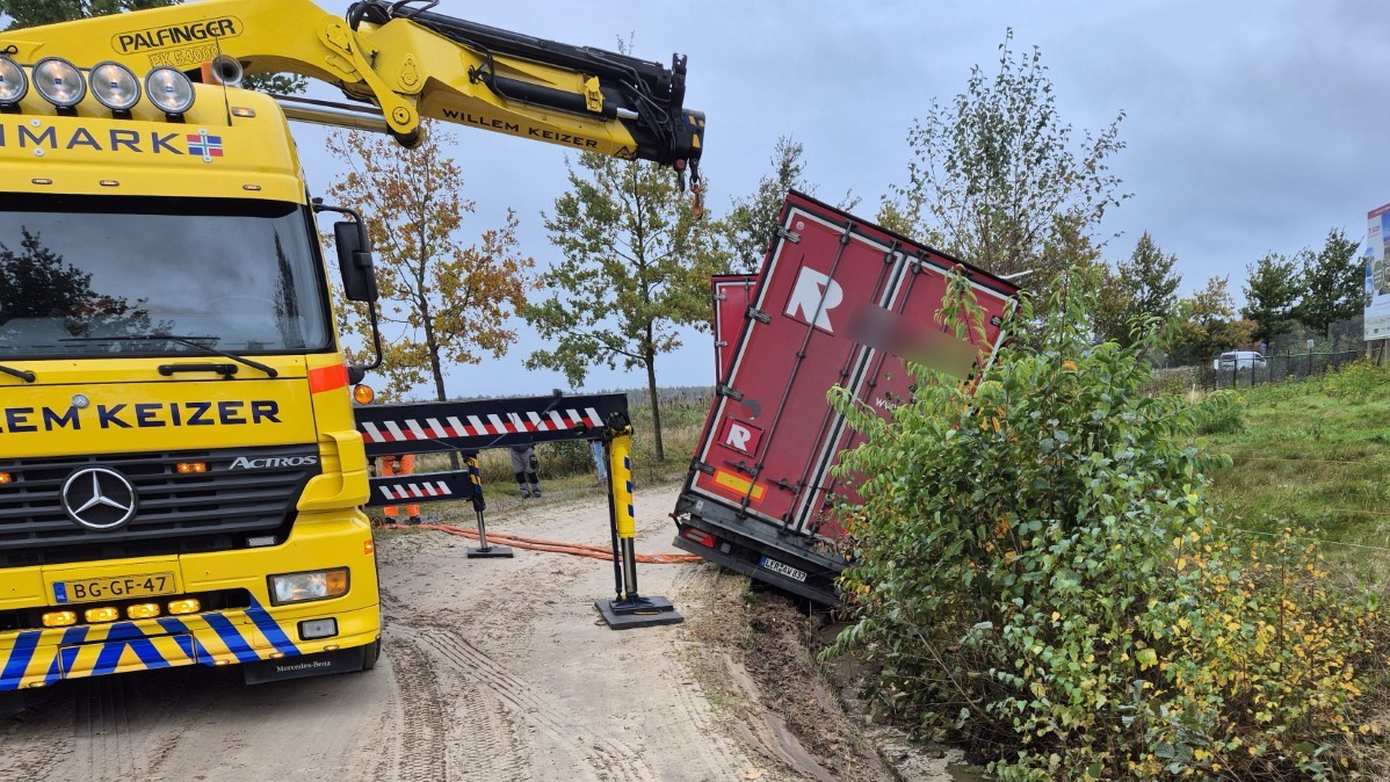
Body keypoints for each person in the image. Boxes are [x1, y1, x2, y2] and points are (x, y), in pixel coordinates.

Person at [377, 454, 421, 524]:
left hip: (404, 452)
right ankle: (390, 517)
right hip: (387, 456)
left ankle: (414, 516)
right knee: (388, 486)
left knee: (407, 485)